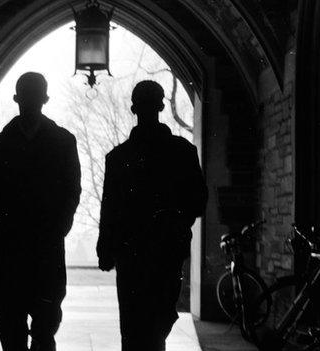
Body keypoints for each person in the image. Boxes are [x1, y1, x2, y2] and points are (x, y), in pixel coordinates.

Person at [0, 72, 81, 351]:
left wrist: (58, 228)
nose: (30, 104)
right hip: (18, 250)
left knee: (45, 329)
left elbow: (72, 192)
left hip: (39, 248)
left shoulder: (3, 147)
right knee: (11, 331)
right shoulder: (1, 148)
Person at [97, 80, 207, 351]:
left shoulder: (118, 157)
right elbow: (198, 203)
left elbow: (109, 210)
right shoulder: (183, 152)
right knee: (158, 323)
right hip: (167, 251)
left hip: (131, 253)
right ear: (161, 106)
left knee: (133, 328)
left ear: (133, 108)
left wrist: (106, 249)